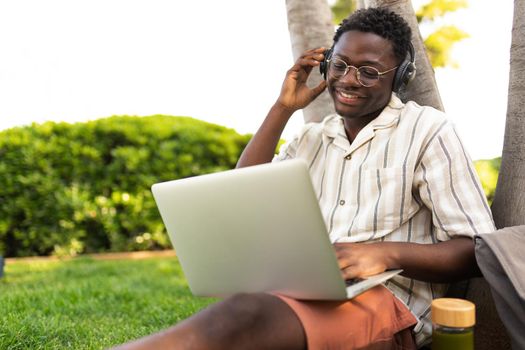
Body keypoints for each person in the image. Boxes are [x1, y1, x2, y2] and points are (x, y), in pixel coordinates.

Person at [114, 7, 495, 349]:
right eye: (340, 64)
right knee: (242, 313)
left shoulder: (428, 130)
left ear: (398, 78)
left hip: (388, 304)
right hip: (308, 290)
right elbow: (242, 194)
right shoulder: (311, 138)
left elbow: (474, 249)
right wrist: (282, 108)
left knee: (244, 317)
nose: (348, 79)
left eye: (368, 71)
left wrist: (382, 254)